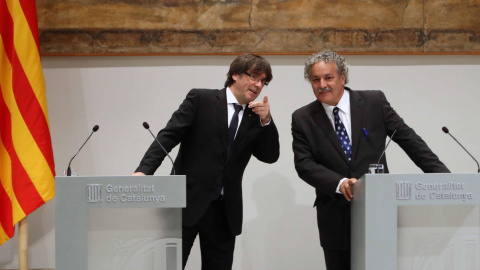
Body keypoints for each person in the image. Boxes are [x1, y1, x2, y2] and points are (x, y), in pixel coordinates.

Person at [291, 50, 450, 270]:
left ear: (342, 77)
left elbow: (409, 140)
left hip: (379, 210)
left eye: (328, 78)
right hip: (335, 215)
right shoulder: (302, 118)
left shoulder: (374, 102)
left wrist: (444, 178)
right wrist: (339, 183)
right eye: (315, 80)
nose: (322, 85)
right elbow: (304, 164)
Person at [133, 54, 280, 270]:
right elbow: (168, 136)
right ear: (235, 74)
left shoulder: (255, 117)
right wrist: (144, 171)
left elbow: (270, 156)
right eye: (254, 77)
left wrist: (267, 121)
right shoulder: (202, 100)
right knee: (167, 266)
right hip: (185, 203)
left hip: (224, 211)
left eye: (263, 81)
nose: (258, 84)